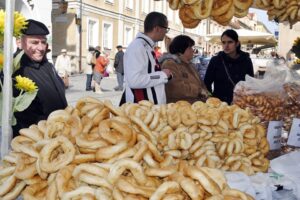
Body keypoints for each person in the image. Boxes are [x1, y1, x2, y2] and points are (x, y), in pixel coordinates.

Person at [12, 19, 67, 136]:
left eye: (43, 42)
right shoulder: (14, 69)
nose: (41, 48)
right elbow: (19, 114)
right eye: (35, 42)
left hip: (58, 132)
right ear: (19, 42)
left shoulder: (47, 65)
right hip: (33, 139)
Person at [122, 11, 172, 105]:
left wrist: (163, 74)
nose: (166, 32)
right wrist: (162, 75)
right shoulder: (137, 47)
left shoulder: (146, 46)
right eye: (166, 28)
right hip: (142, 110)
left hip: (150, 108)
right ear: (157, 28)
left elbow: (148, 73)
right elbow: (134, 80)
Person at [204, 29, 254, 104]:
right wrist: (211, 99)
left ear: (237, 43)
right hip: (219, 105)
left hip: (239, 104)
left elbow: (250, 84)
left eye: (230, 42)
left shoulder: (246, 60)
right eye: (224, 42)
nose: (226, 46)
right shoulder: (216, 60)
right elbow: (207, 83)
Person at [160, 35, 208, 103]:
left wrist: (207, 94)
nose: (192, 50)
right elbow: (175, 88)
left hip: (196, 107)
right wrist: (198, 91)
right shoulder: (170, 64)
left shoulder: (190, 64)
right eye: (190, 48)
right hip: (180, 108)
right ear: (181, 49)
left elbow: (201, 84)